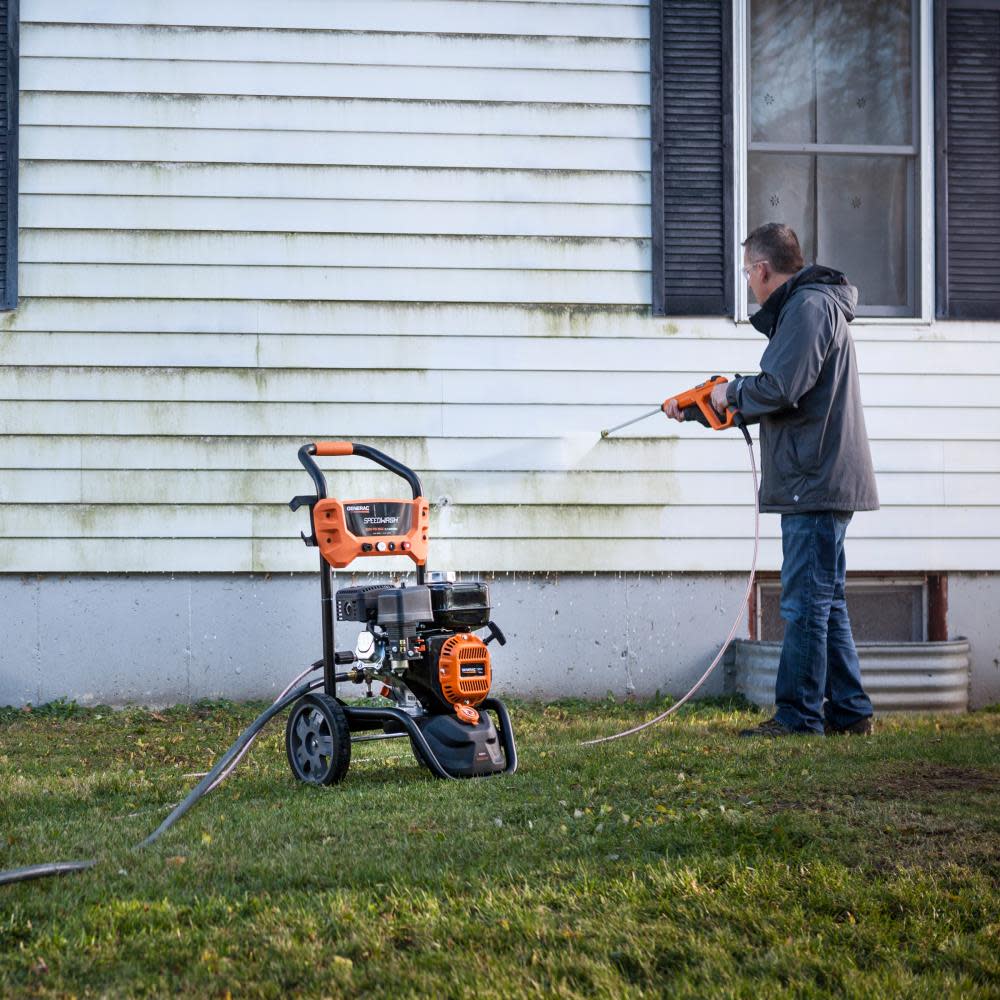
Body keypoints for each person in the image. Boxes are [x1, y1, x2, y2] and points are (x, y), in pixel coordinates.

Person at [665, 223, 878, 737]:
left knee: (805, 603)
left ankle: (798, 717)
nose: (749, 283)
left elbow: (779, 387)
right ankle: (850, 712)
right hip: (818, 477)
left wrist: (732, 391)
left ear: (762, 269)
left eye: (747, 273)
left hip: (816, 478)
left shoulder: (808, 308)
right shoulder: (810, 308)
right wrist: (699, 409)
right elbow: (779, 392)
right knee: (824, 602)